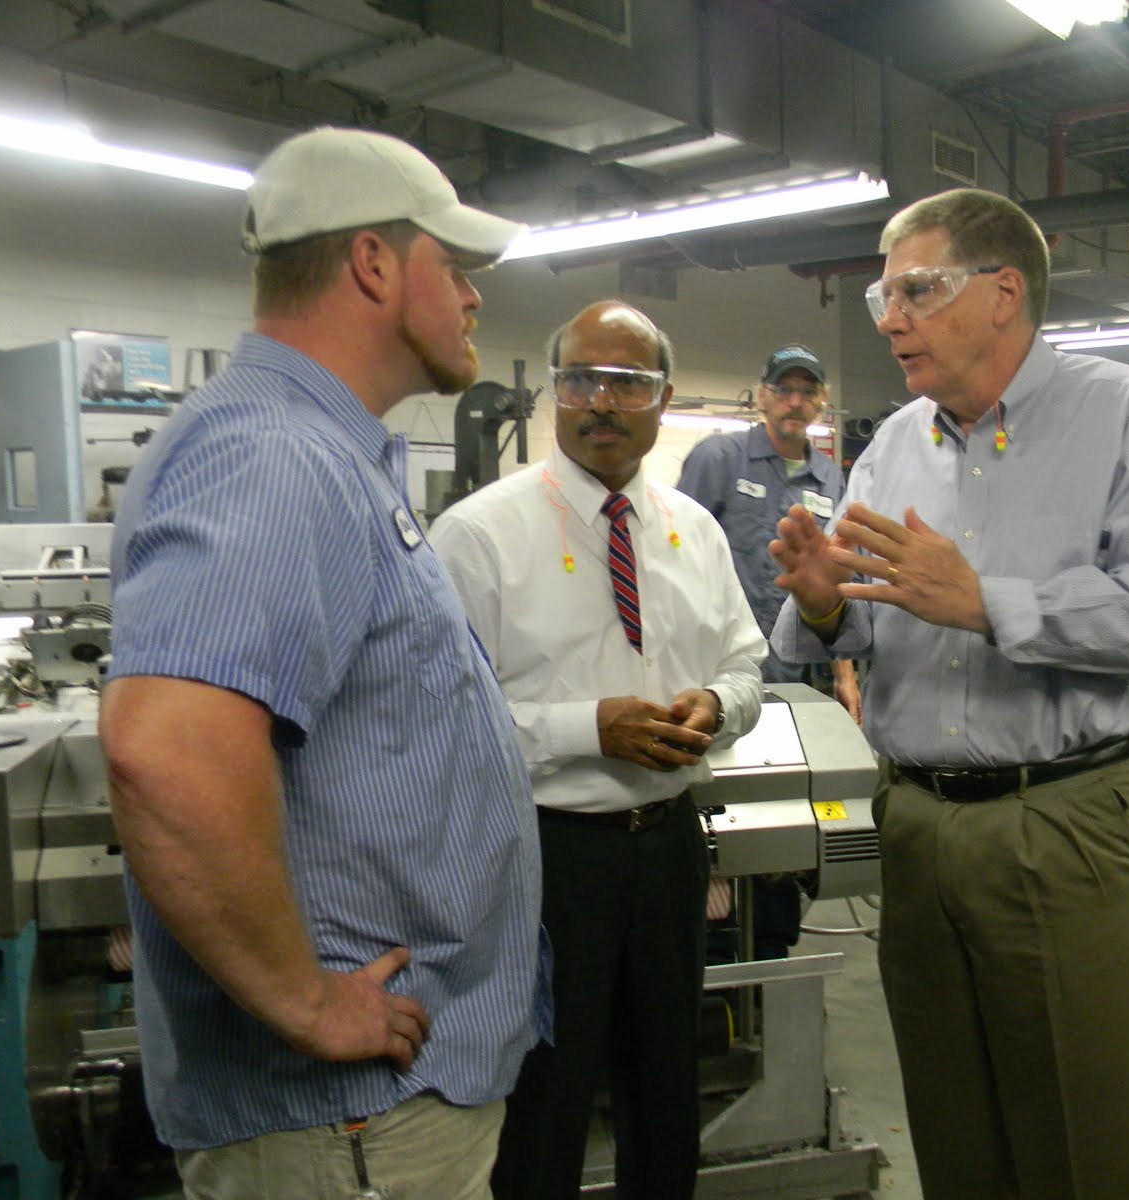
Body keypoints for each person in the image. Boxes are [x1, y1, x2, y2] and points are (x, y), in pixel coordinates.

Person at [98, 126, 546, 1200]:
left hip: (372, 1119)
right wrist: (307, 1002)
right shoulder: (274, 457)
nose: (477, 298)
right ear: (376, 265)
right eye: (459, 267)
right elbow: (167, 752)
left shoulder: (323, 454)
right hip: (346, 1129)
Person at [769, 187, 1129, 1200]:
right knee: (952, 1131)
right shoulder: (893, 447)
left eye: (916, 290)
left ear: (1004, 292)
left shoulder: (1119, 416)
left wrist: (991, 604)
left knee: (1077, 1139)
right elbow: (861, 624)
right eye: (881, 298)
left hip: (1061, 818)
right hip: (919, 822)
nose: (890, 319)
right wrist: (822, 607)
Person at [429, 301, 766, 1200]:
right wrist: (589, 728)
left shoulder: (696, 529)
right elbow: (440, 724)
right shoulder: (478, 536)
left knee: (667, 1087)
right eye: (581, 379)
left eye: (628, 382)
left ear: (662, 400)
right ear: (553, 394)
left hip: (668, 848)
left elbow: (747, 666)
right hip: (545, 855)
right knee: (548, 1094)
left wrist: (717, 706)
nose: (602, 401)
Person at [676, 343, 858, 961]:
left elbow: (834, 586)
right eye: (785, 389)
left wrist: (846, 675)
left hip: (795, 690)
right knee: (718, 815)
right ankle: (712, 947)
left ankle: (771, 953)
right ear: (762, 395)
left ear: (820, 403)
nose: (795, 402)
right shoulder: (718, 460)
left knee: (785, 815)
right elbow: (674, 558)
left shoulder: (832, 478)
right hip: (722, 680)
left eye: (807, 391)